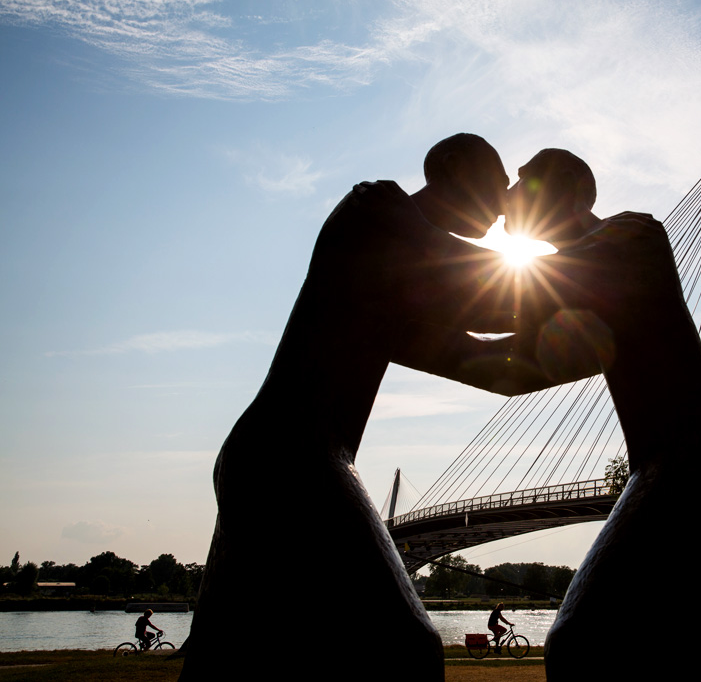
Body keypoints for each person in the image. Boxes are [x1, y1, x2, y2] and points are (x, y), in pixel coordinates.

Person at [395, 148, 701, 680]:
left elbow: (489, 299)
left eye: (522, 183)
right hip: (686, 465)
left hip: (692, 462)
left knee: (584, 638)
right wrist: (384, 336)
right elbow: (515, 371)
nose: (506, 199)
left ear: (571, 187)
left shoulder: (630, 238)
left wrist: (396, 237)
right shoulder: (595, 284)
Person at [180, 134, 519, 681]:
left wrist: (612, 340)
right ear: (454, 166)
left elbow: (495, 365)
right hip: (295, 457)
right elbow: (489, 297)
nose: (506, 208)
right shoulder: (378, 209)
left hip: (268, 456)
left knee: (225, 659)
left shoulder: (394, 285)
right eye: (499, 184)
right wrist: (605, 282)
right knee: (402, 647)